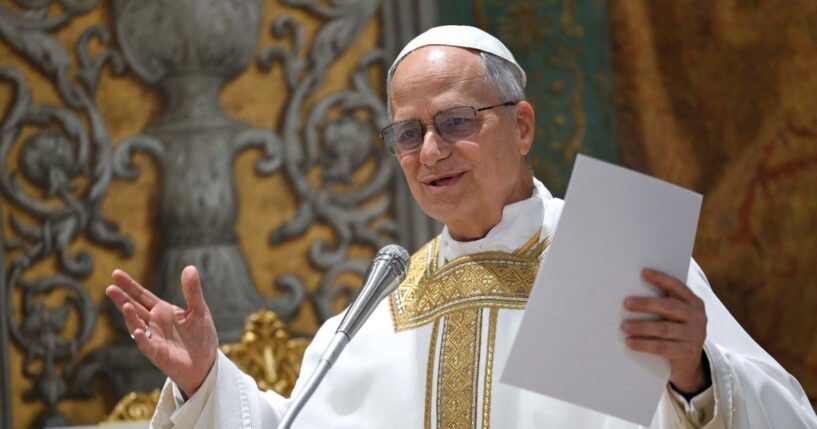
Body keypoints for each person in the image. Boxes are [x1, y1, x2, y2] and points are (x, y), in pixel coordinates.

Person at [106, 26, 817, 428]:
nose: (432, 152)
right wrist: (205, 378)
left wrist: (695, 374)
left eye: (454, 122)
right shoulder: (384, 300)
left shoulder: (616, 257)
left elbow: (785, 416)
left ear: (523, 123)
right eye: (409, 133)